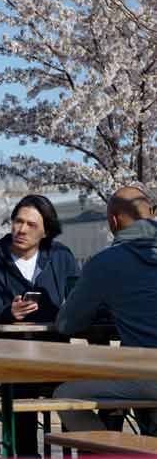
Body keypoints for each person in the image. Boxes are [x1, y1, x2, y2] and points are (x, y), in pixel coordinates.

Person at [0, 194, 79, 457]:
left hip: (55, 351)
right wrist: (8, 311)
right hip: (12, 353)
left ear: (46, 231)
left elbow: (77, 297)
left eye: (31, 224)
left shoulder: (61, 256)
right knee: (20, 391)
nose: (21, 229)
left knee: (79, 392)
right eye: (18, 221)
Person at [55, 185, 157, 434]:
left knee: (64, 395)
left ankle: (110, 454)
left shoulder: (105, 262)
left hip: (147, 376)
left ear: (113, 220)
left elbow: (66, 324)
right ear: (152, 213)